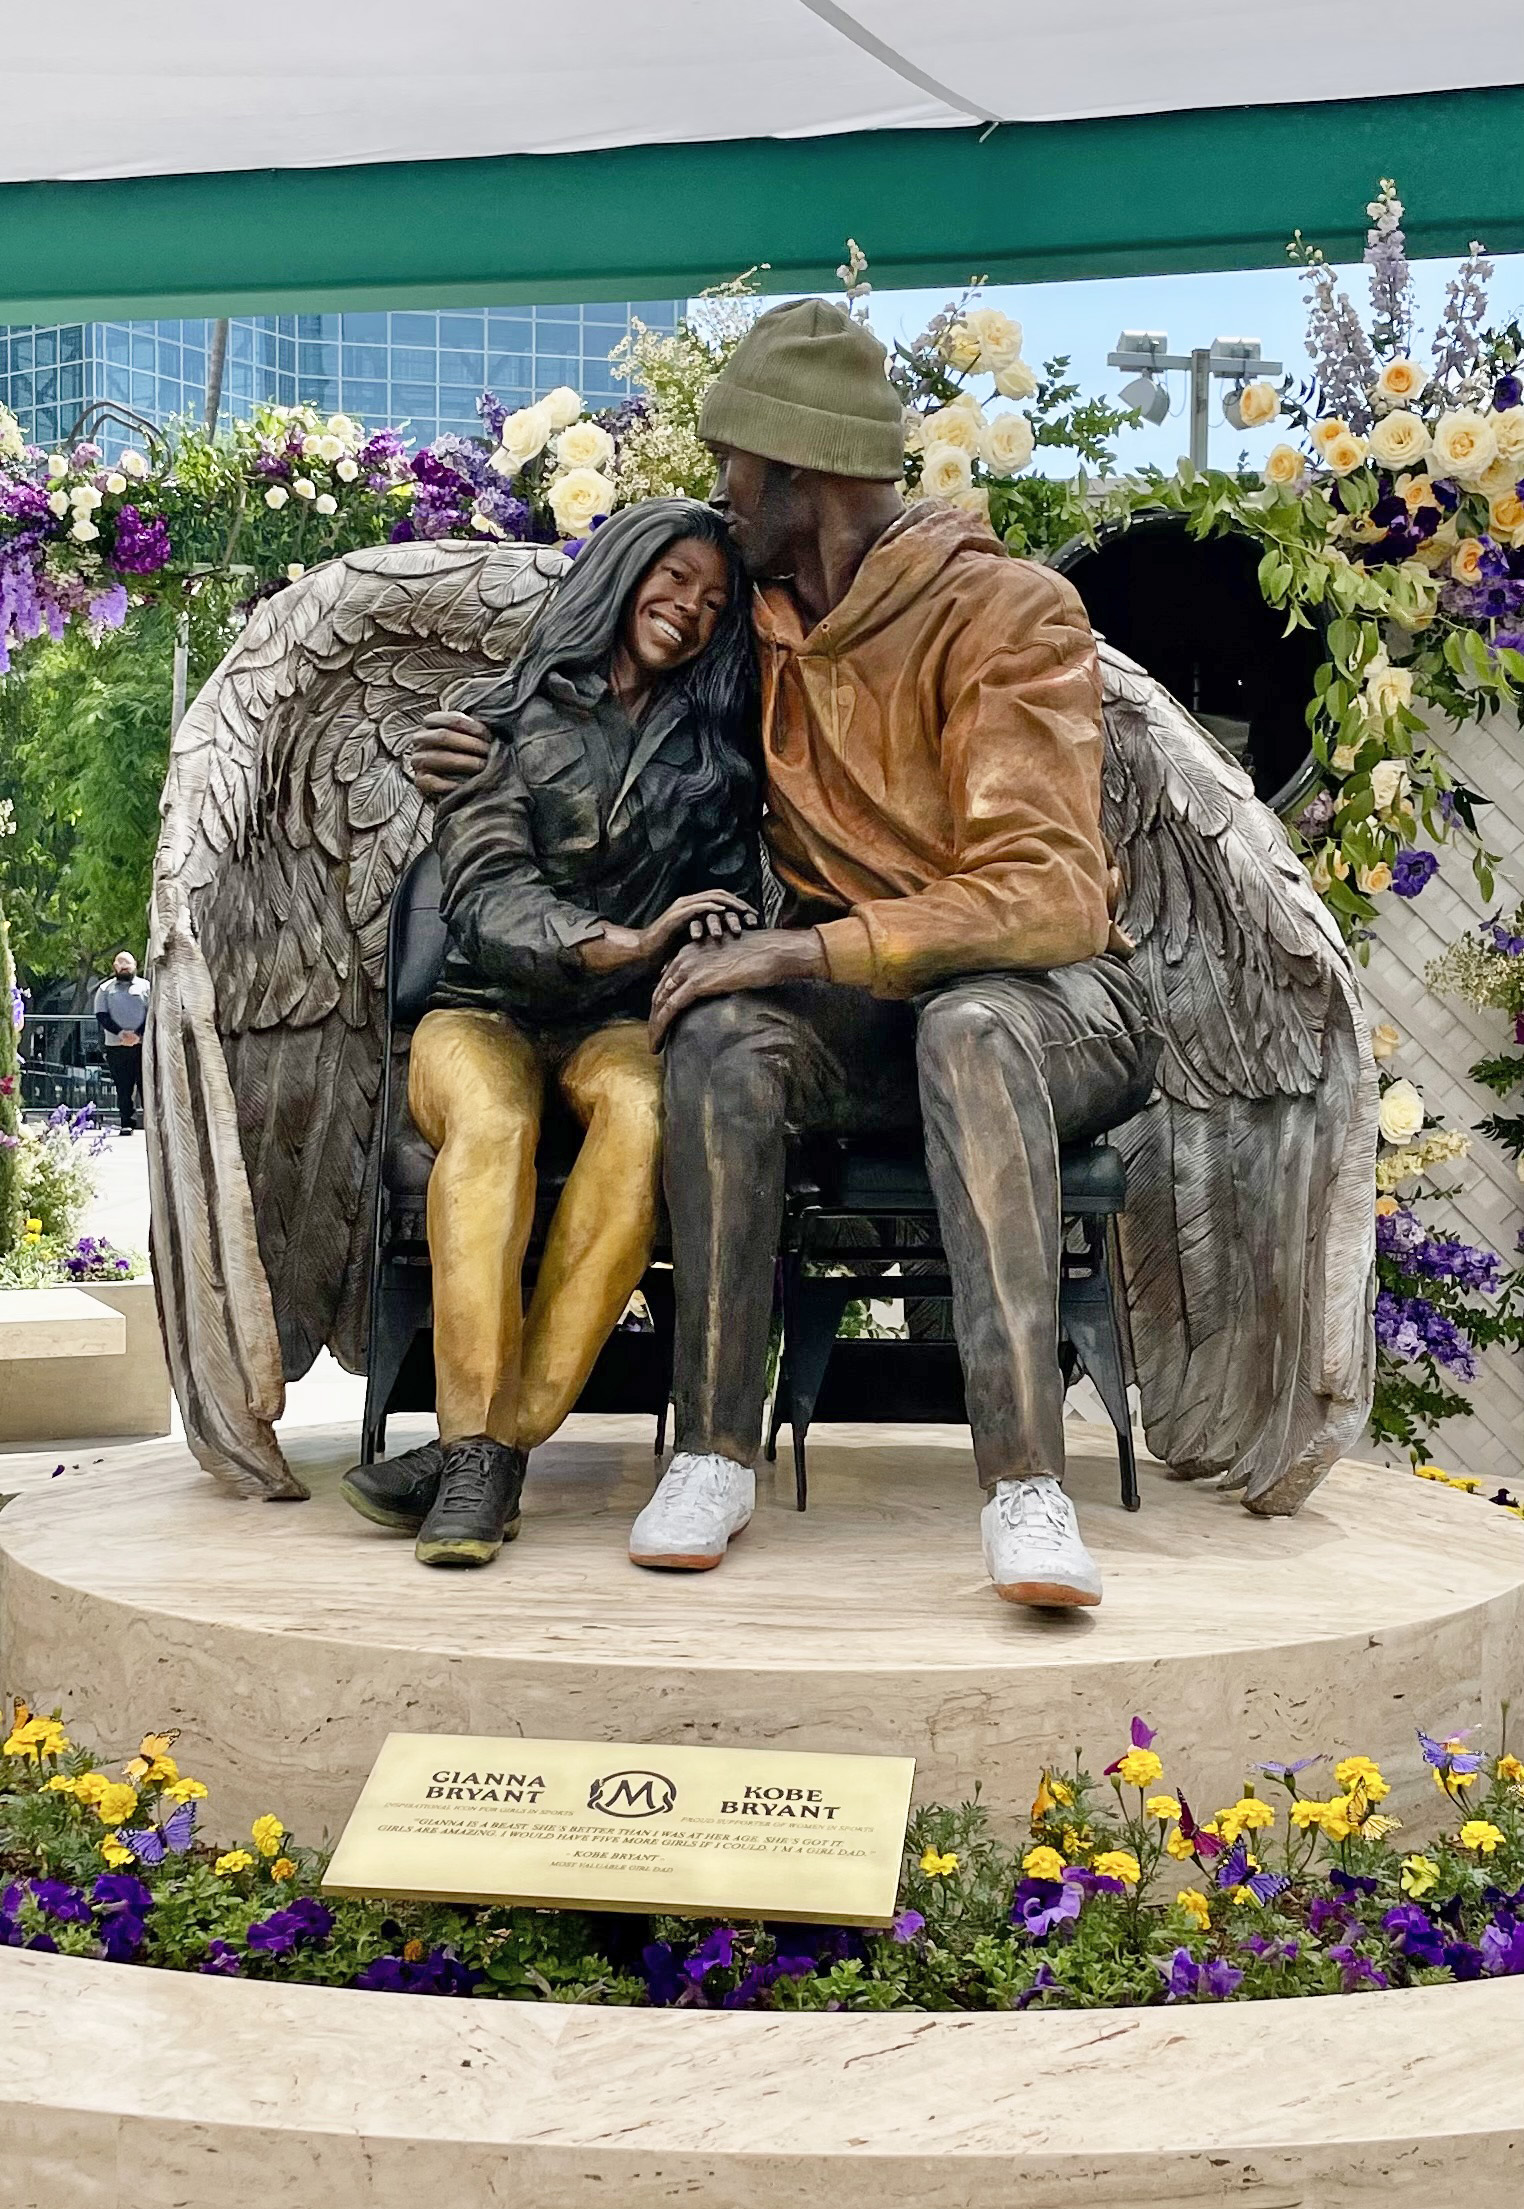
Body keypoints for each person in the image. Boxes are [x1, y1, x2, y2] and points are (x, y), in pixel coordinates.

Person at [414, 303, 1158, 1611]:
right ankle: (712, 1451)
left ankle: (1025, 1485)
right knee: (716, 1034)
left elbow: (1048, 896)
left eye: (731, 467)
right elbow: (595, 677)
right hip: (856, 1011)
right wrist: (479, 738)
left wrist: (799, 946)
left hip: (1050, 1004)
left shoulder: (1009, 613)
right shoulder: (747, 623)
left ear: (794, 472)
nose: (719, 495)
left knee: (969, 1027)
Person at [342, 499, 761, 1569]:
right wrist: (627, 938)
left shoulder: (716, 759)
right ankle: (482, 1453)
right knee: (491, 1124)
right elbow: (488, 897)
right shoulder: (500, 721)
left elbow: (732, 892)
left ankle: (485, 1453)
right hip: (480, 1008)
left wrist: (717, 929)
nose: (691, 609)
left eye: (716, 602)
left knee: (649, 1106)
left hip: (619, 1024)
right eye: (675, 579)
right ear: (623, 572)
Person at [94, 951, 150, 1134]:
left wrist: (138, 1034)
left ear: (135, 966)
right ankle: (127, 1122)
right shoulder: (105, 989)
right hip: (116, 1046)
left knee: (147, 1085)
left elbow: (152, 1013)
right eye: (121, 964)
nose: (124, 967)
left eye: (128, 964)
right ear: (115, 967)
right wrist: (121, 1033)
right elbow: (101, 1015)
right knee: (123, 1087)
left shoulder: (147, 987)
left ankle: (152, 1123)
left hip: (143, 1045)